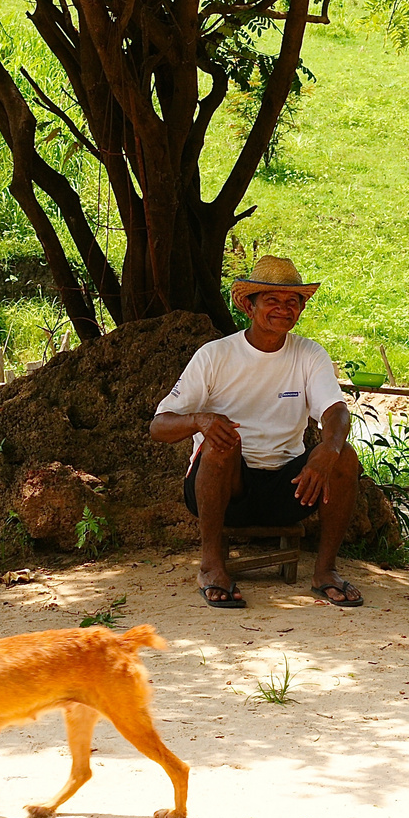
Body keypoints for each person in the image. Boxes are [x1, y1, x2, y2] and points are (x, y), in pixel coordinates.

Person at [150, 256, 364, 609]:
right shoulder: (215, 355)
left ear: (301, 309)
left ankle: (325, 572)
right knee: (222, 443)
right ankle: (210, 568)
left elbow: (336, 410)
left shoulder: (309, 354)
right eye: (272, 301)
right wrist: (199, 421)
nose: (283, 309)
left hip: (288, 490)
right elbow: (159, 425)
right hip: (225, 488)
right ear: (249, 306)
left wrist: (329, 447)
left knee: (344, 456)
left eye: (292, 302)